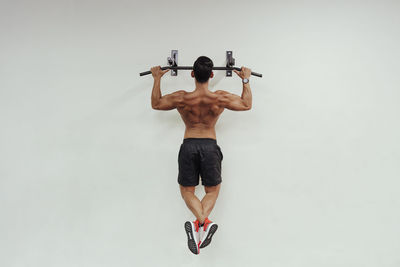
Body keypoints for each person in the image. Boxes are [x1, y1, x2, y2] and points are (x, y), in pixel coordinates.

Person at [150, 56, 252, 254]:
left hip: (189, 145)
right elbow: (246, 105)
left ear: (192, 74)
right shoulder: (219, 98)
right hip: (210, 146)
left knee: (188, 192)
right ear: (212, 75)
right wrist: (245, 79)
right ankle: (205, 222)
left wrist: (156, 78)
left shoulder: (182, 98)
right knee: (212, 191)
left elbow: (156, 104)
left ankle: (202, 223)